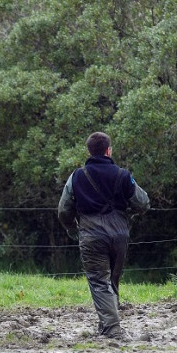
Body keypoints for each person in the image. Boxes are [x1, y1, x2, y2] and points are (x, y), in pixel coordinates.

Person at [58, 132, 150, 340]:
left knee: (100, 281)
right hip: (119, 234)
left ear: (89, 151)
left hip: (91, 234)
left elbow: (64, 209)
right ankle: (107, 325)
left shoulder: (77, 176)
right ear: (109, 151)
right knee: (112, 280)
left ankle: (112, 330)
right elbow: (143, 202)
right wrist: (128, 215)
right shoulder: (123, 175)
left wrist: (72, 227)